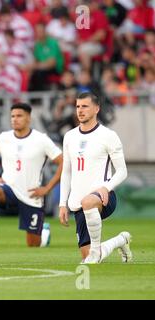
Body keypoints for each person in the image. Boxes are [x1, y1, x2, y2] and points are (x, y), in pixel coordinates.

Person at [59, 92, 131, 264]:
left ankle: (95, 253)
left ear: (97, 109)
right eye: (77, 106)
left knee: (89, 202)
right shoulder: (69, 136)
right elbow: (66, 171)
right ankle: (121, 240)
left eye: (85, 106)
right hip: (78, 202)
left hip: (103, 197)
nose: (80, 110)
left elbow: (122, 171)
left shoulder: (108, 135)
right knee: (87, 255)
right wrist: (63, 203)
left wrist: (106, 187)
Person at [0, 103, 63, 249]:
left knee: (33, 244)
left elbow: (63, 162)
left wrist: (47, 188)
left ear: (28, 118)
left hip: (31, 195)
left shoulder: (41, 139)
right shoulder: (4, 138)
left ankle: (44, 233)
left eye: (19, 116)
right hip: (9, 190)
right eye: (12, 116)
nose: (15, 119)